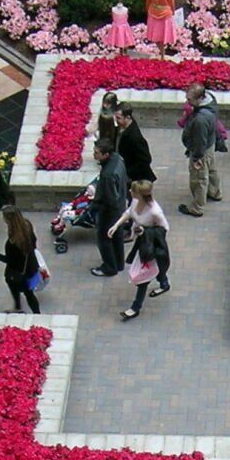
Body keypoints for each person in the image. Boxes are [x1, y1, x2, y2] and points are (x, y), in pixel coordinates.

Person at [112, 180, 171, 319]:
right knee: (156, 269)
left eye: (133, 190)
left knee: (143, 276)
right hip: (142, 242)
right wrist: (116, 225)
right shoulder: (135, 201)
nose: (130, 192)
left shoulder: (155, 211)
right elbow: (129, 213)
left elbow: (165, 228)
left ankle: (135, 307)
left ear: (139, 193)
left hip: (151, 245)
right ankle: (164, 283)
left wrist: (146, 231)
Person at [88, 137, 131, 278]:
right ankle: (118, 262)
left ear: (106, 154)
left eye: (97, 153)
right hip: (119, 206)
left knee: (104, 238)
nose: (94, 155)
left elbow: (109, 198)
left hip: (109, 212)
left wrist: (95, 206)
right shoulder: (118, 159)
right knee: (117, 235)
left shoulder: (107, 175)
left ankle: (109, 267)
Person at [0, 206, 43, 313]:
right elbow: (34, 241)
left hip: (18, 272)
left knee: (18, 288)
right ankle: (37, 314)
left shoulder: (13, 242)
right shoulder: (27, 224)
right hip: (31, 265)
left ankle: (18, 307)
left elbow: (9, 260)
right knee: (29, 293)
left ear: (8, 220)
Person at [179, 81, 221, 219]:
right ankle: (214, 192)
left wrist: (197, 158)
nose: (187, 102)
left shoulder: (200, 120)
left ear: (199, 98)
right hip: (210, 144)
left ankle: (197, 207)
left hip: (201, 150)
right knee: (212, 169)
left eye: (190, 99)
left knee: (199, 178)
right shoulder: (210, 100)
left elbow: (199, 142)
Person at [115, 104, 155, 183]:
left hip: (134, 178)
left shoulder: (135, 137)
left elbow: (145, 159)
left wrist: (128, 173)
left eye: (118, 118)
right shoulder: (123, 128)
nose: (116, 120)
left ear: (127, 118)